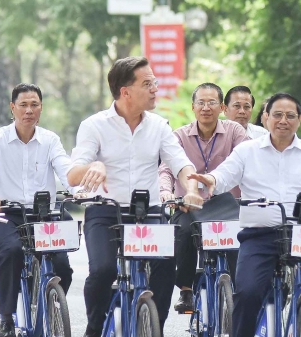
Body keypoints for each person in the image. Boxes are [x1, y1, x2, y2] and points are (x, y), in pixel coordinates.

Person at [189, 92, 301, 337]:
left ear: (299, 120)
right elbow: (226, 174)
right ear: (266, 117)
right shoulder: (247, 151)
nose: (283, 120)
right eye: (277, 115)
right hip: (259, 235)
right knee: (247, 293)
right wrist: (211, 179)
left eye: (290, 116)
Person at [67, 56, 204, 337]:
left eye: (155, 82)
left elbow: (180, 163)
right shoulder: (94, 126)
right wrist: (93, 166)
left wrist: (190, 189)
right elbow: (72, 175)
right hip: (105, 212)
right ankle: (94, 327)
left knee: (167, 265)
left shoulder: (159, 126)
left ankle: (154, 327)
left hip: (149, 212)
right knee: (103, 270)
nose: (155, 89)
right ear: (125, 91)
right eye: (148, 83)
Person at [0, 83, 76, 337]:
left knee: (63, 266)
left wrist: (78, 189)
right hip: (6, 213)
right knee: (11, 251)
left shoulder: (50, 140)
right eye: (23, 105)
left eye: (34, 104)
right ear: (12, 108)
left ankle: (51, 304)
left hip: (43, 214)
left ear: (41, 108)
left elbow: (65, 170)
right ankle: (6, 317)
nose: (28, 110)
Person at [158, 82, 249, 312]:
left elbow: (249, 161)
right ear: (193, 107)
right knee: (185, 231)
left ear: (221, 108)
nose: (206, 107)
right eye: (201, 102)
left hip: (227, 205)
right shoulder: (178, 136)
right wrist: (165, 191)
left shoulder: (235, 132)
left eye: (212, 103)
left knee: (239, 239)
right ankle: (186, 290)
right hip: (188, 205)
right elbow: (167, 169)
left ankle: (240, 291)